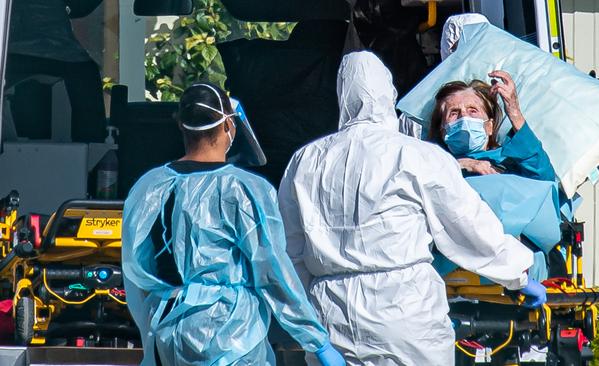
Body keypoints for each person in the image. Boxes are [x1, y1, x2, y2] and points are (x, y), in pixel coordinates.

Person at [278, 51, 547, 365]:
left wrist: (308, 328)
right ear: (389, 94)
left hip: (331, 312)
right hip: (402, 308)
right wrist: (517, 275)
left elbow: (291, 250)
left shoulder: (306, 160)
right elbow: (467, 224)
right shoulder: (417, 156)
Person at [122, 82, 345, 366]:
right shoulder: (244, 189)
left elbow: (137, 270)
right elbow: (273, 273)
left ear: (181, 125)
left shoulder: (150, 186)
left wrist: (153, 329)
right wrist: (316, 340)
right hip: (231, 339)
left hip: (168, 337)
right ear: (229, 124)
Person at [5, 0, 106, 142]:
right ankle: (93, 146)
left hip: (10, 52)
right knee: (87, 75)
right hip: (58, 51)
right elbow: (79, 7)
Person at [429, 71, 556, 181]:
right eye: (454, 113)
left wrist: (514, 112)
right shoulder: (431, 163)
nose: (464, 116)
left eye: (472, 110)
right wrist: (460, 164)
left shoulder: (508, 160)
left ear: (489, 126)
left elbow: (544, 180)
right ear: (442, 131)